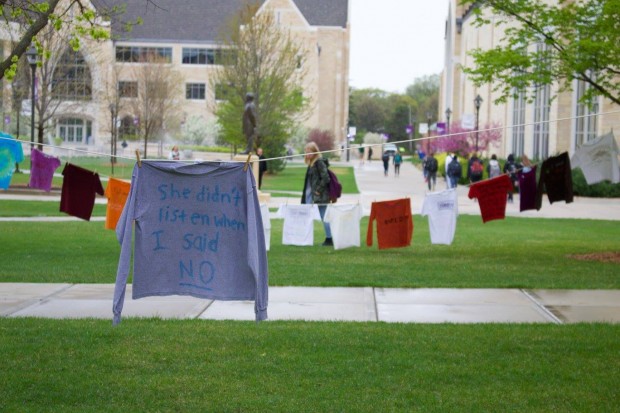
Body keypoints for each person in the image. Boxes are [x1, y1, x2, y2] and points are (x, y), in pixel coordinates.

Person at [301, 141, 333, 246]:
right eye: (306, 152)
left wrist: (318, 190)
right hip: (313, 196)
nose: (307, 154)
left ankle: (330, 239)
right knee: (322, 216)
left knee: (324, 217)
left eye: (309, 152)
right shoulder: (312, 164)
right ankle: (304, 238)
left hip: (321, 195)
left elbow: (326, 178)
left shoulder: (319, 162)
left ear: (315, 152)